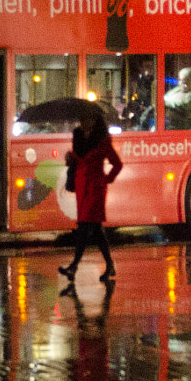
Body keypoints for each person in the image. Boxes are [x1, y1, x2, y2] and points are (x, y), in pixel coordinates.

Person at [61, 109, 122, 283]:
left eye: (86, 118)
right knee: (94, 229)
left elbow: (117, 164)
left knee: (85, 227)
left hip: (95, 188)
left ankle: (74, 266)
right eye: (81, 118)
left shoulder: (102, 140)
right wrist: (70, 158)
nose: (82, 121)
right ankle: (109, 265)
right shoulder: (78, 137)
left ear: (94, 120)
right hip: (82, 187)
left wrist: (106, 179)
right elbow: (77, 160)